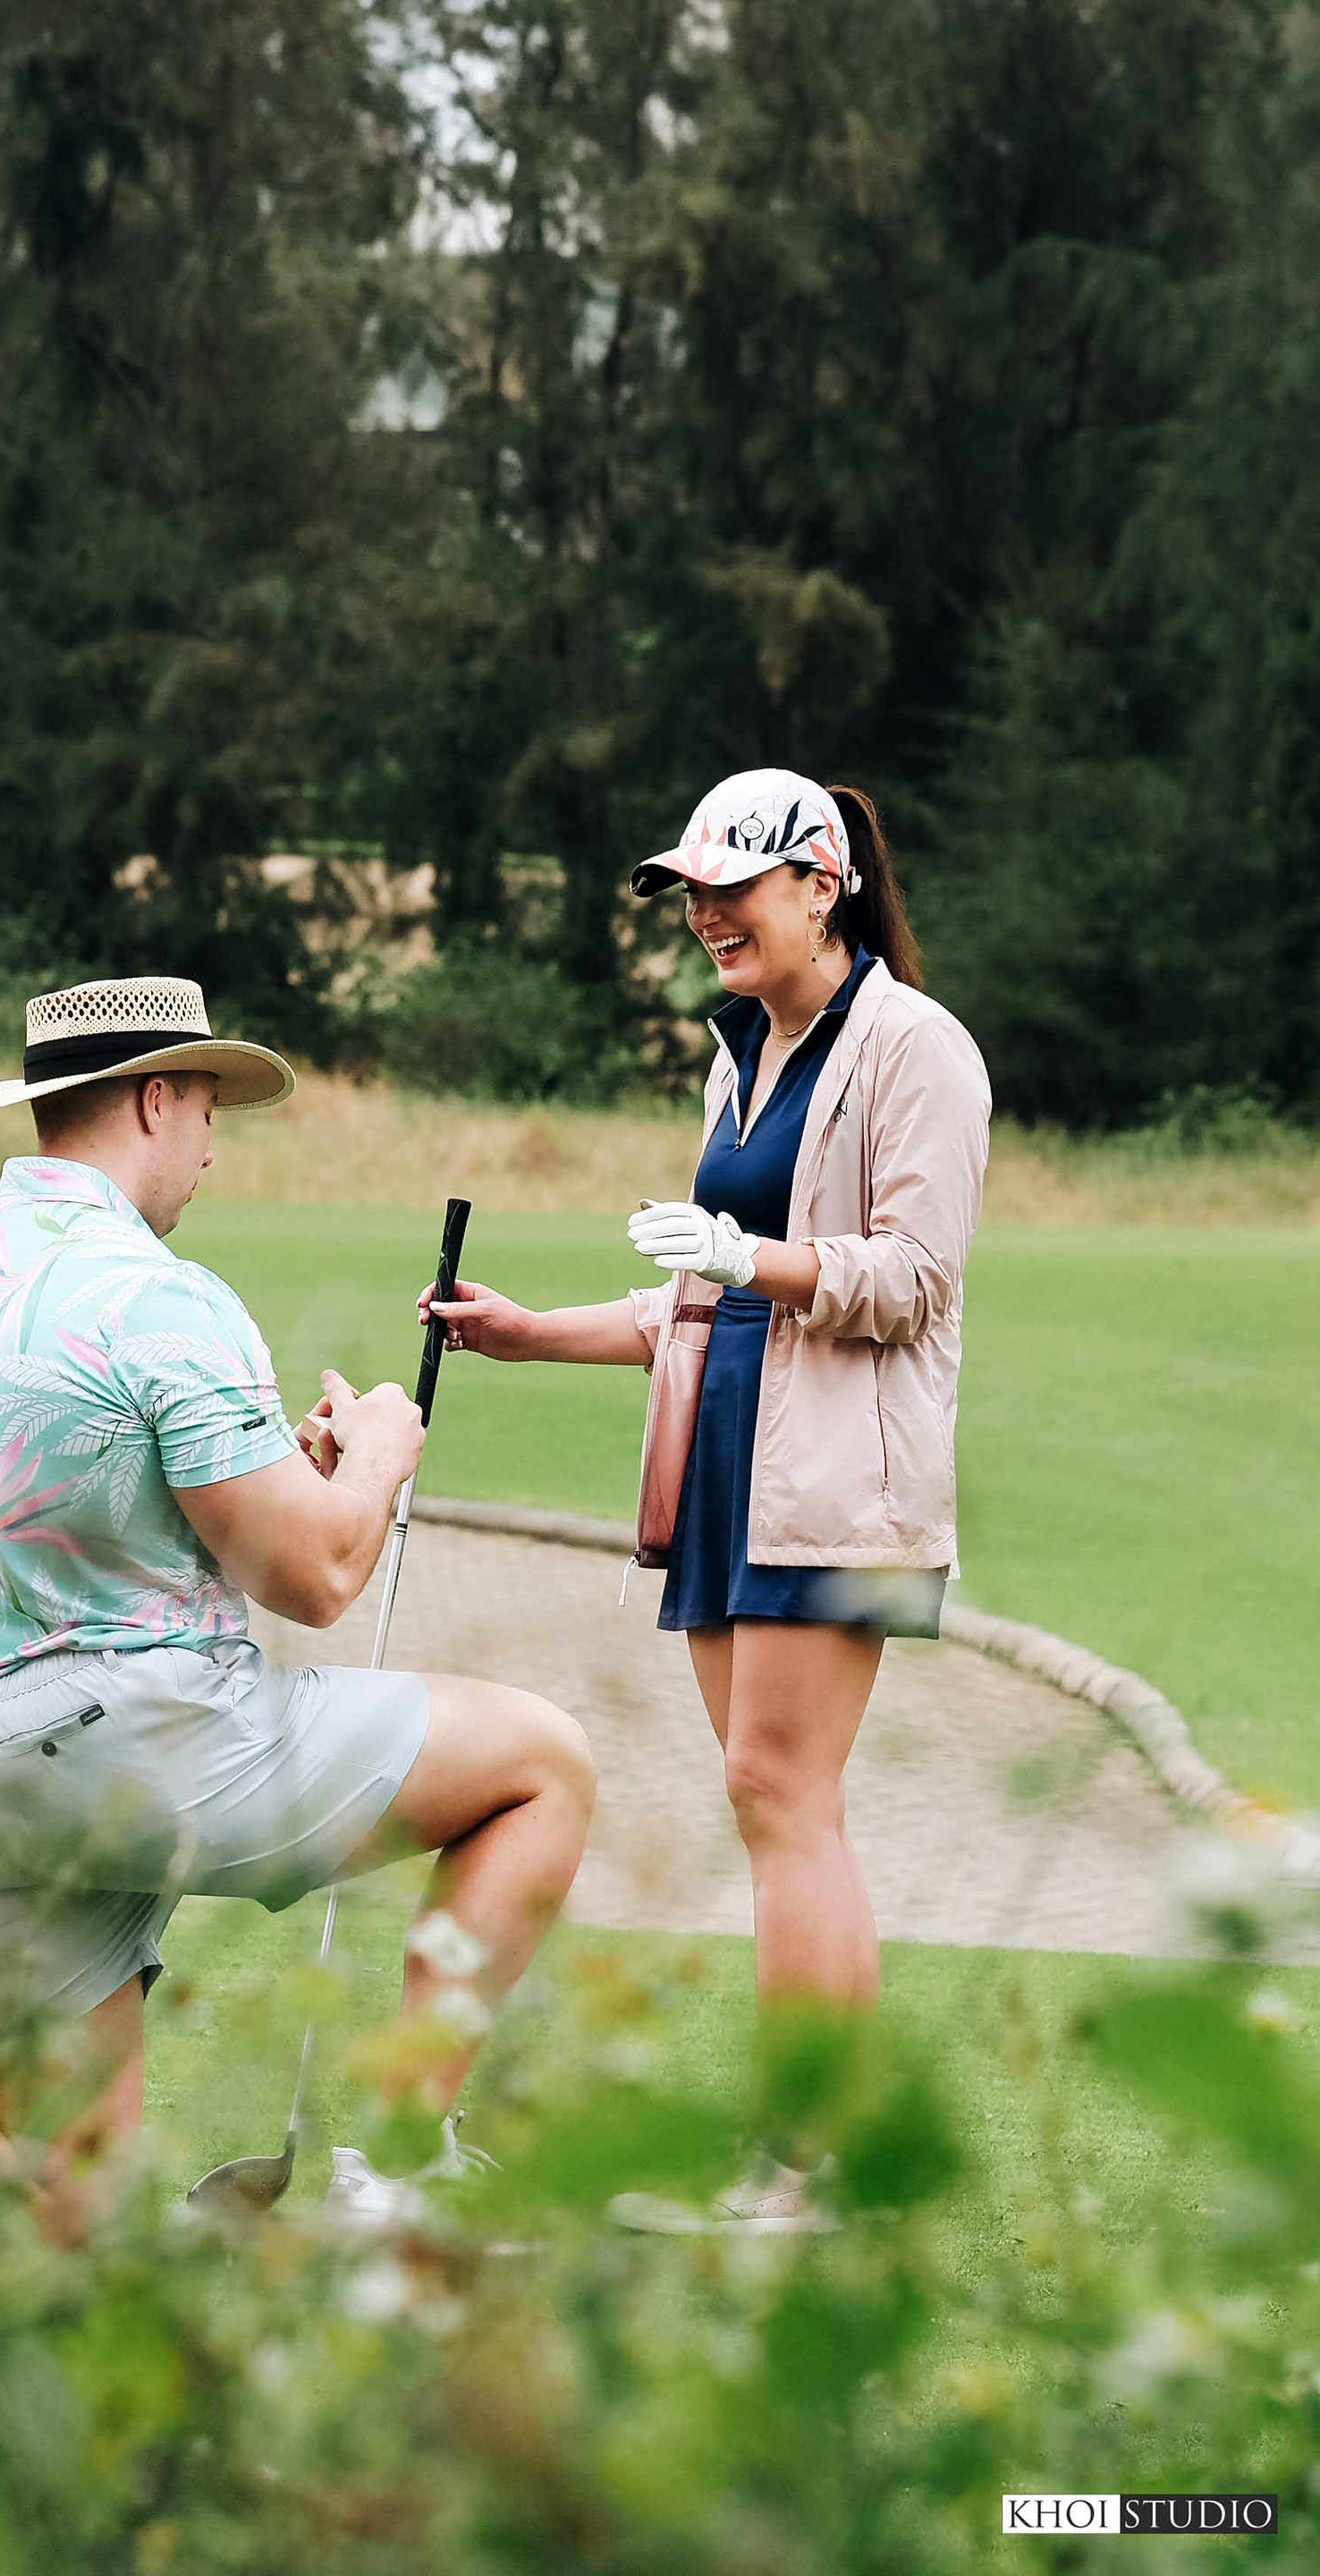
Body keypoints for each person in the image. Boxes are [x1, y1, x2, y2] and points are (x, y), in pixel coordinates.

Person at [0, 976, 594, 2241]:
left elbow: (96, 1523)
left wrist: (279, 1476)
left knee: (62, 2208)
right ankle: (398, 2169)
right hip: (147, 1744)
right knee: (542, 1767)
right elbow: (313, 1578)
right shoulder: (161, 1296)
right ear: (156, 1097)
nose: (208, 1149)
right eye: (205, 1113)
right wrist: (376, 1454)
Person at [421, 771, 990, 2233]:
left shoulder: (914, 1049)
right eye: (692, 888)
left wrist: (752, 1261)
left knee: (774, 1795)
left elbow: (912, 1283)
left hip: (837, 1488)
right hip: (727, 1471)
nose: (703, 914)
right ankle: (822, 2161)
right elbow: (697, 1295)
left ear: (824, 882)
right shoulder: (742, 1053)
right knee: (790, 1810)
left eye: (732, 887)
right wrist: (530, 1326)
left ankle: (790, 2171)